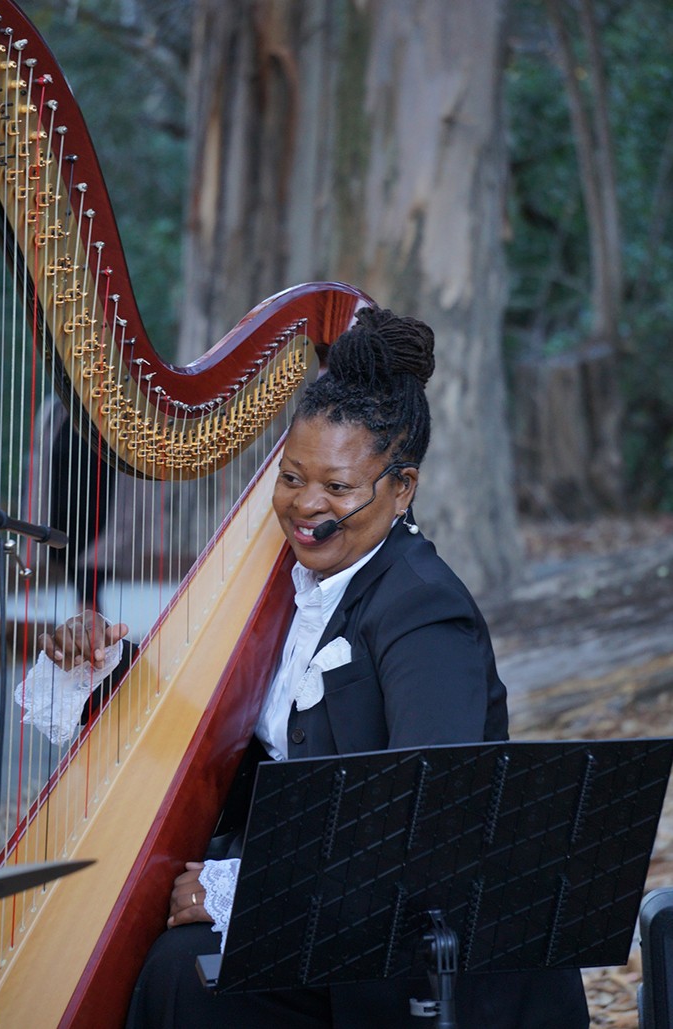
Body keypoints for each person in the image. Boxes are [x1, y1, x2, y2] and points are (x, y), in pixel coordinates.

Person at [39, 307, 589, 1028]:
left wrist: (245, 889)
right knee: (178, 965)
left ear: (402, 489)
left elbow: (427, 819)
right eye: (293, 476)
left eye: (338, 487)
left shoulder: (424, 613)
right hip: (336, 918)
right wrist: (105, 666)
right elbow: (224, 743)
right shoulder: (299, 589)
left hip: (419, 952)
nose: (305, 505)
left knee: (185, 972)